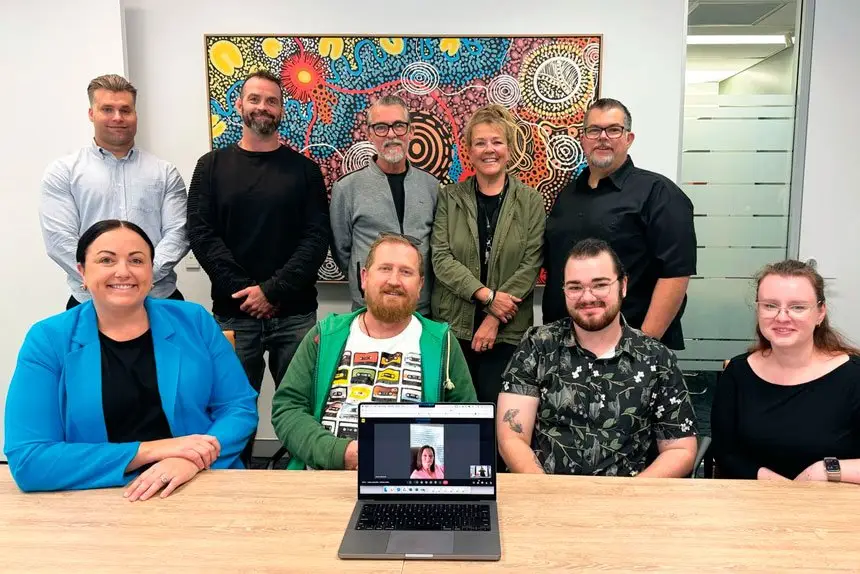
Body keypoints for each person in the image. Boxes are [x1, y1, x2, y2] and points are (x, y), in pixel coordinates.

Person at [4, 220, 258, 499]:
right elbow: (29, 459)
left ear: (151, 271)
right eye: (106, 260)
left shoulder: (194, 321)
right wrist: (152, 450)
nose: (123, 271)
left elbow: (237, 407)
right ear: (82, 273)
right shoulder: (49, 339)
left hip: (196, 484)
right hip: (95, 496)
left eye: (137, 260)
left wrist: (189, 460)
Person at [187, 70, 330, 462]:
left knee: (305, 410)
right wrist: (247, 292)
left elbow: (316, 239)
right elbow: (201, 234)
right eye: (255, 99)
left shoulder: (304, 171)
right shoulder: (211, 166)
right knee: (230, 411)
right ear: (239, 105)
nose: (262, 107)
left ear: (283, 108)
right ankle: (233, 487)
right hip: (234, 318)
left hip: (296, 316)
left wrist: (272, 290)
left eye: (271, 100)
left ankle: (302, 479)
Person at [271, 234, 477, 470]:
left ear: (420, 285)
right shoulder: (325, 336)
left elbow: (466, 424)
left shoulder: (442, 343)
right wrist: (338, 453)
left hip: (407, 486)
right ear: (364, 278)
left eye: (406, 272)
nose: (394, 281)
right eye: (385, 269)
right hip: (322, 477)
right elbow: (288, 407)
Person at [497, 238, 697, 477]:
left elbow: (680, 449)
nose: (587, 297)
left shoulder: (656, 358)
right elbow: (511, 437)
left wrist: (629, 498)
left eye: (600, 285)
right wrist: (546, 493)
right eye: (575, 287)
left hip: (628, 502)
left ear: (623, 285)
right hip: (546, 497)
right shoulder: (537, 346)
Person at [543, 98, 696, 351]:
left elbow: (675, 275)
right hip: (563, 346)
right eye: (594, 130)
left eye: (613, 129)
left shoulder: (659, 193)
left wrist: (643, 346)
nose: (603, 137)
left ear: (629, 138)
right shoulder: (566, 196)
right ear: (583, 139)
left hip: (628, 348)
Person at [40, 74, 189, 310]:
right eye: (107, 109)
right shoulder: (63, 173)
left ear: (135, 114)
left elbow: (178, 233)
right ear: (91, 114)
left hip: (160, 299)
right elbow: (59, 241)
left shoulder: (165, 172)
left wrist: (143, 277)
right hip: (90, 303)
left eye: (125, 110)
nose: (117, 118)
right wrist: (105, 279)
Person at [431, 104, 545, 405]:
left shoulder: (531, 201)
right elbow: (441, 258)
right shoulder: (449, 197)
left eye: (497, 141)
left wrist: (494, 316)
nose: (489, 150)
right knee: (455, 416)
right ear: (468, 149)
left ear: (509, 148)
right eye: (480, 142)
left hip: (508, 329)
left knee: (499, 419)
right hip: (455, 327)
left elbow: (531, 262)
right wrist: (487, 296)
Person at [711, 260, 860, 483]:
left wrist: (823, 470)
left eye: (797, 307)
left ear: (820, 313)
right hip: (754, 504)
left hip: (832, 507)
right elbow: (725, 452)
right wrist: (771, 483)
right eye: (770, 305)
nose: (782, 317)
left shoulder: (853, 376)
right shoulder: (738, 372)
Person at [330, 95, 438, 315]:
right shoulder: (347, 188)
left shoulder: (432, 186)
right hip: (368, 309)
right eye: (381, 127)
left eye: (399, 126)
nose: (391, 135)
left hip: (422, 310)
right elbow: (342, 252)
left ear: (411, 131)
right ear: (369, 134)